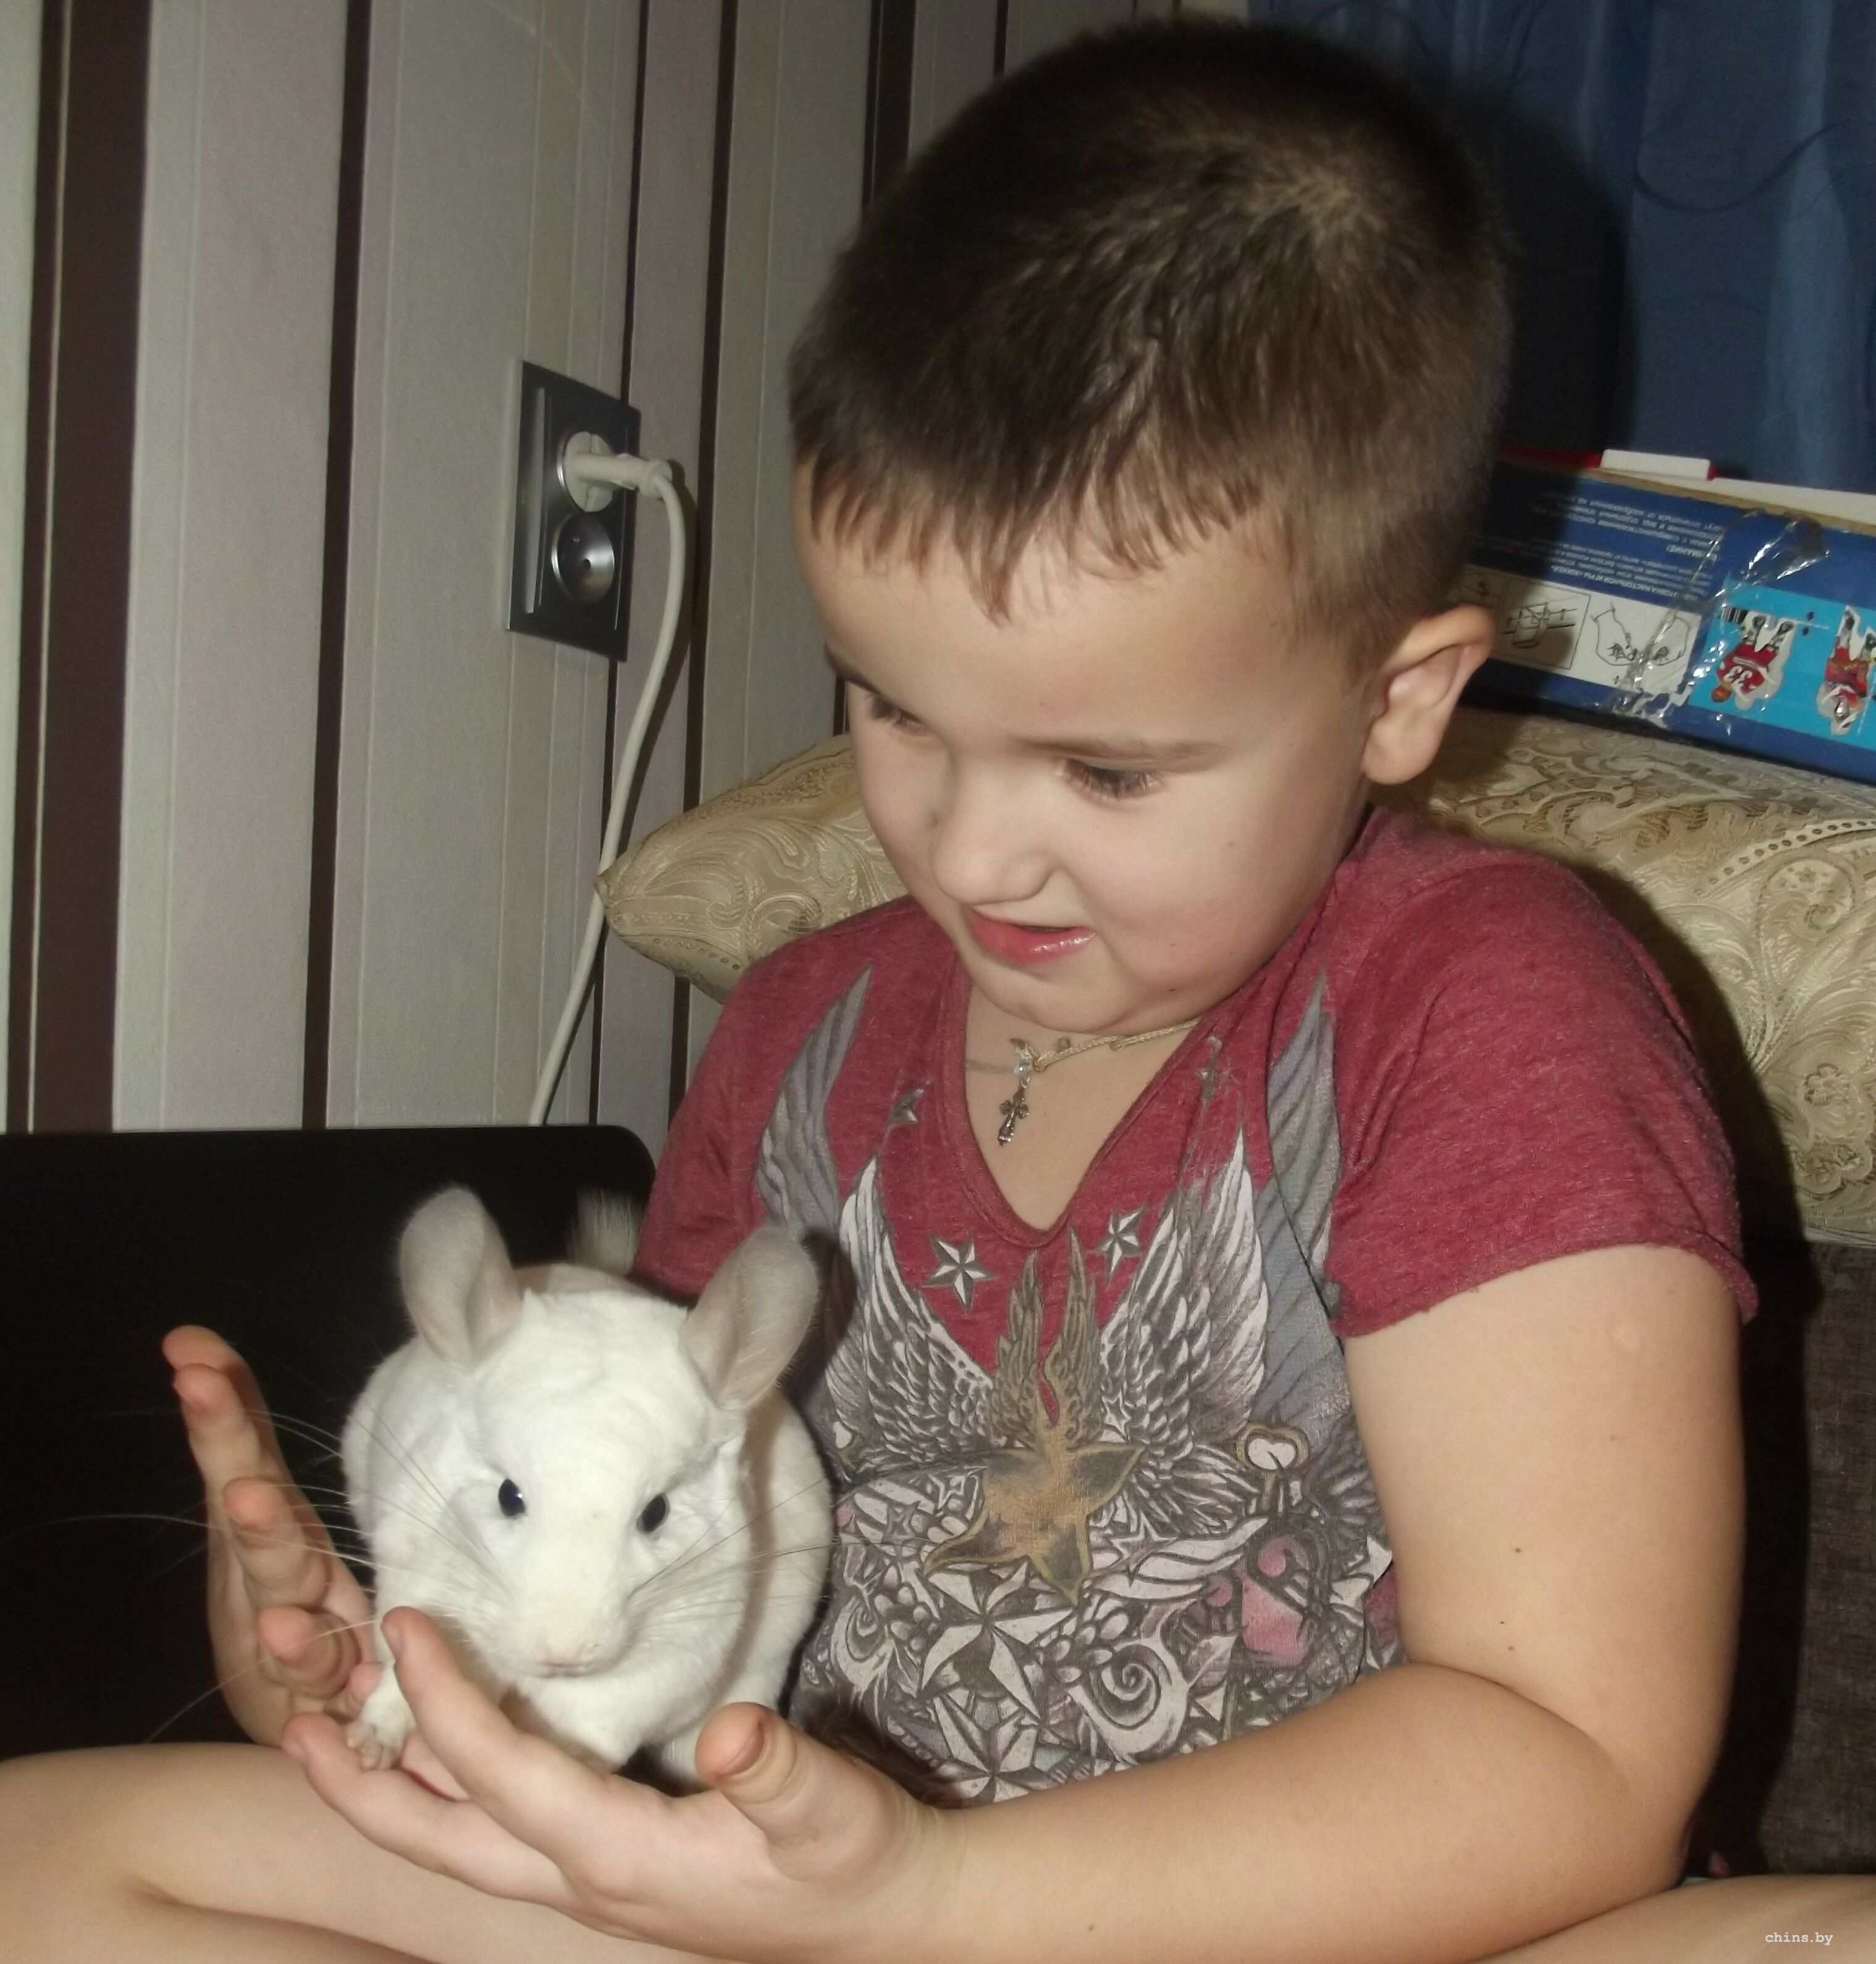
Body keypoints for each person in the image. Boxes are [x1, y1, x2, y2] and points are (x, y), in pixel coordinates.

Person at [3, 19, 1873, 1962]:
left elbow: (1575, 1752)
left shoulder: (1497, 1005)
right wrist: (421, 1653)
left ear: (1400, 696)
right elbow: (658, 1556)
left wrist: (939, 1896)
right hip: (802, 1916)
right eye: (895, 709)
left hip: (1348, 1935)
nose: (969, 852)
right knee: (42, 1850)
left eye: (1108, 772)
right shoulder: (800, 1029)